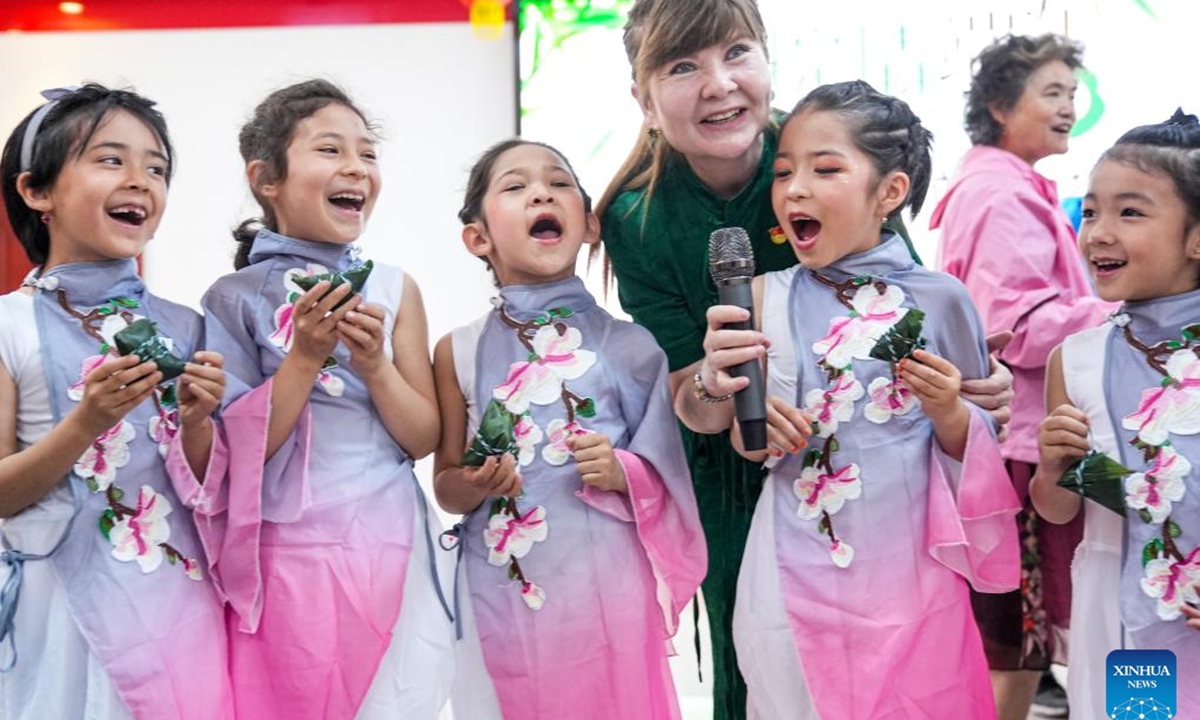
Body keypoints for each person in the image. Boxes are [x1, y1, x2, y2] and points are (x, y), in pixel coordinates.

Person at [598, 3, 1014, 715]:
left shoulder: (816, 146)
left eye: (737, 53)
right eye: (683, 66)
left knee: (901, 671)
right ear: (643, 98)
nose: (718, 84)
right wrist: (714, 383)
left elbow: (899, 302)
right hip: (737, 480)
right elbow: (683, 392)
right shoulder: (636, 217)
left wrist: (971, 392)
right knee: (757, 671)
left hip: (884, 499)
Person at [685, 81, 1020, 718]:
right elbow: (744, 436)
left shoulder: (943, 298)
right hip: (790, 571)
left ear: (889, 192)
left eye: (826, 169)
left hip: (912, 572)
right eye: (784, 173)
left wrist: (951, 410)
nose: (795, 190)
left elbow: (979, 447)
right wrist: (757, 425)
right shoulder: (759, 296)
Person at [180, 79, 454, 720]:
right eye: (330, 150)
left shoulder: (394, 286)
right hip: (288, 555)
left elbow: (423, 439)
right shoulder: (233, 297)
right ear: (265, 178)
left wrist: (374, 364)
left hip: (391, 543)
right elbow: (233, 455)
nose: (356, 167)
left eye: (367, 153)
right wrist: (303, 358)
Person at [434, 138, 706, 719]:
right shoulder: (456, 350)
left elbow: (671, 481)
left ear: (588, 224)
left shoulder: (633, 347)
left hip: (607, 590)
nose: (541, 191)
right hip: (502, 588)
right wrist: (479, 482)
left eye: (558, 183)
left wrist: (621, 470)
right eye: (515, 186)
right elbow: (447, 488)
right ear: (477, 237)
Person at [0, 84, 233, 719]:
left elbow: (214, 486)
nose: (139, 180)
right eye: (110, 159)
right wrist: (85, 424)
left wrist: (197, 423)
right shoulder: (7, 325)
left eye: (156, 167)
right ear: (36, 191)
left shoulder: (189, 326)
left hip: (177, 607)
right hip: (60, 613)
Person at [928, 33, 1117, 719]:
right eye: (1052, 93)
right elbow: (1014, 321)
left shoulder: (1003, 184)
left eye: (1073, 94)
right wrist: (1126, 308)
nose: (1069, 108)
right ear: (1001, 105)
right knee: (1017, 646)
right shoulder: (1002, 195)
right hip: (1024, 448)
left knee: (1031, 642)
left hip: (1032, 440)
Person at [1033, 109, 1200, 719]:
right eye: (1093, 210)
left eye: (1130, 212)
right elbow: (1058, 507)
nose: (1098, 231)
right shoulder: (1075, 360)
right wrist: (1053, 466)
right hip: (1126, 630)